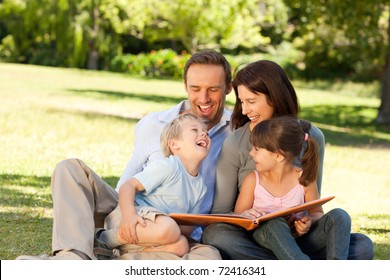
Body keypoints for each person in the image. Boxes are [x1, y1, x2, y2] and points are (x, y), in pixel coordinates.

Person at [16, 49, 232, 260]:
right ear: (185, 86)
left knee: (207, 258)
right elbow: (128, 182)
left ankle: (112, 256)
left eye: (213, 89)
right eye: (195, 88)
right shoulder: (153, 124)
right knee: (69, 168)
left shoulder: (238, 133)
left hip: (170, 233)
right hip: (130, 210)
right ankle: (74, 256)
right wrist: (127, 218)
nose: (203, 98)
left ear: (228, 88)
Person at [202, 60, 374, 260]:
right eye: (242, 102)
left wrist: (304, 223)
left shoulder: (310, 137)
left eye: (251, 101)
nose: (244, 110)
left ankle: (283, 265)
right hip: (256, 238)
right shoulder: (235, 144)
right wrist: (247, 217)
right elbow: (221, 213)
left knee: (362, 246)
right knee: (215, 235)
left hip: (299, 238)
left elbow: (312, 207)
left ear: (274, 97)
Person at [234, 115, 351, 259]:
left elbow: (317, 213)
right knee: (274, 224)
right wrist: (247, 215)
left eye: (257, 149)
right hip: (264, 242)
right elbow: (239, 215)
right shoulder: (253, 179)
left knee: (340, 216)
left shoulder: (304, 180)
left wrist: (308, 222)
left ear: (278, 156)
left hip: (300, 242)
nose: (251, 153)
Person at [96, 113, 210, 257]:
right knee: (170, 229)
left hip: (154, 233)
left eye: (206, 133)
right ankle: (105, 238)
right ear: (174, 144)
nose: (204, 134)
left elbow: (186, 228)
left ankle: (123, 251)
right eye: (195, 130)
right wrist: (129, 215)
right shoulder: (169, 166)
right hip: (130, 219)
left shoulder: (200, 187)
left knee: (182, 245)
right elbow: (128, 186)